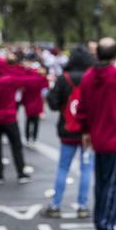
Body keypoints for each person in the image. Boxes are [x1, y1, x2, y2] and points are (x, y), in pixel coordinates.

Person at [77, 38, 116, 230]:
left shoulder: (88, 77)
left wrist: (85, 131)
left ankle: (100, 223)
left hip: (97, 136)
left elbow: (82, 107)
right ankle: (108, 225)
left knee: (100, 184)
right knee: (114, 184)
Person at [0, 55, 45, 184]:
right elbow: (32, 81)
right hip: (9, 117)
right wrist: (33, 71)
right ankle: (21, 173)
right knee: (16, 146)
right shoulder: (10, 80)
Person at [43, 47, 94, 219]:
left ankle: (56, 205)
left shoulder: (63, 79)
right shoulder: (91, 77)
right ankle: (82, 206)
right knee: (86, 169)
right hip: (87, 131)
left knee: (63, 168)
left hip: (67, 130)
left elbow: (52, 103)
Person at [21, 63, 46, 147]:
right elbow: (46, 85)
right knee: (36, 123)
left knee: (28, 122)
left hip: (28, 103)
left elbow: (23, 93)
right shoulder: (40, 79)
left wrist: (23, 102)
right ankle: (34, 139)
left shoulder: (26, 80)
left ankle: (28, 138)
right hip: (37, 103)